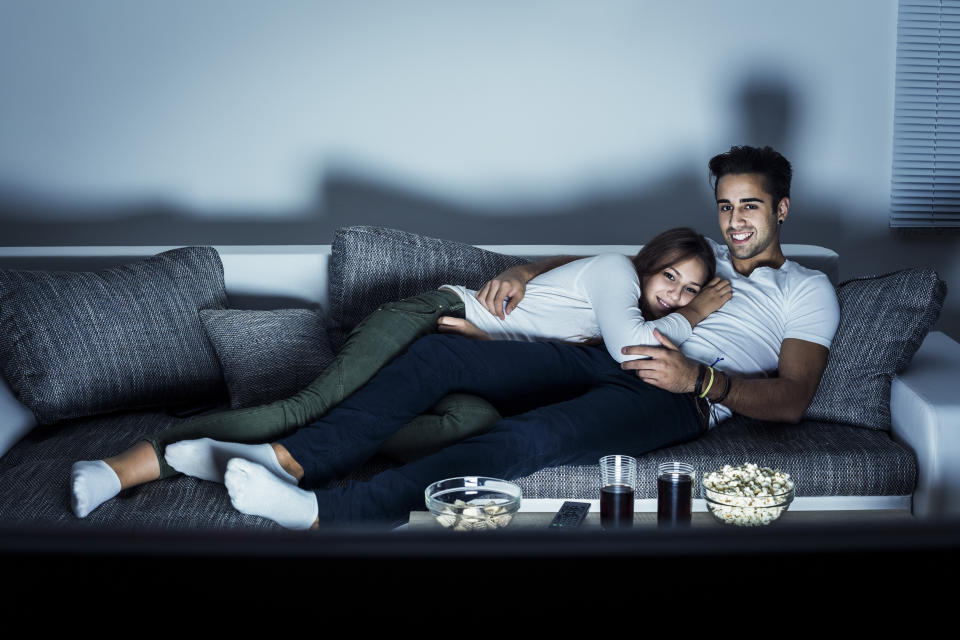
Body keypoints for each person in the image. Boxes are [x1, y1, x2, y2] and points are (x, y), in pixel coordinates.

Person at [161, 145, 842, 529]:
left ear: (780, 208)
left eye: (750, 206)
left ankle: (325, 513)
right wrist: (519, 270)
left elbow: (791, 399)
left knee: (526, 442)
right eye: (726, 206)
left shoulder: (805, 291)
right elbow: (611, 275)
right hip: (598, 351)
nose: (736, 222)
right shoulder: (697, 261)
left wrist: (701, 381)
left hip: (673, 395)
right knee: (440, 352)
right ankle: (295, 461)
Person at [70, 227, 730, 518]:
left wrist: (519, 288)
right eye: (670, 277)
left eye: (689, 287)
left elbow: (560, 322)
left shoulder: (613, 303)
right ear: (647, 267)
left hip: (470, 357)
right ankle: (125, 467)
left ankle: (235, 458)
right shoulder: (622, 286)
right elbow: (635, 351)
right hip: (429, 318)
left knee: (468, 425)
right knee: (304, 411)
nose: (674, 294)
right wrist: (697, 314)